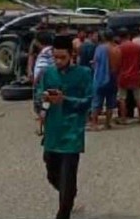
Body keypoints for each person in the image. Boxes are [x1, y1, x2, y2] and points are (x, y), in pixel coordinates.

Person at [36, 35, 93, 219]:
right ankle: (68, 193)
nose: (58, 61)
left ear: (72, 55)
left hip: (72, 132)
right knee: (52, 173)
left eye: (62, 57)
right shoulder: (48, 73)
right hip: (53, 130)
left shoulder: (84, 73)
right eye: (56, 57)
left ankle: (64, 209)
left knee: (68, 176)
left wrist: (65, 100)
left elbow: (89, 101)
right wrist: (43, 102)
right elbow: (38, 94)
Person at [90, 30, 117, 130]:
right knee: (110, 103)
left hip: (100, 78)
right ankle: (107, 123)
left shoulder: (100, 48)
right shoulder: (116, 48)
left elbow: (95, 62)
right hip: (113, 77)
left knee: (96, 102)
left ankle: (94, 124)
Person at [117, 29, 140, 123]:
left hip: (123, 75)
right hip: (135, 74)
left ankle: (123, 118)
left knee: (122, 98)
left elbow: (117, 63)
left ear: (120, 37)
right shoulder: (137, 47)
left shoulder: (119, 48)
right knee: (139, 97)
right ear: (129, 36)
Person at [33, 31, 55, 135]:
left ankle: (43, 129)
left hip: (43, 85)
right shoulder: (52, 51)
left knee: (42, 107)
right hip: (51, 82)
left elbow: (42, 69)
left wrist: (35, 81)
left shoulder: (44, 53)